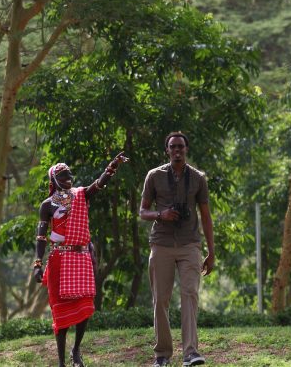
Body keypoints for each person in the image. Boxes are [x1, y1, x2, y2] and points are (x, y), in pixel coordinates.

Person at [33, 152, 130, 367]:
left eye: (69, 174)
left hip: (81, 257)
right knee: (60, 311)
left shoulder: (80, 195)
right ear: (53, 180)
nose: (68, 178)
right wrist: (37, 263)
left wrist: (112, 167)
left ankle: (76, 350)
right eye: (63, 175)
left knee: (85, 305)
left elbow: (98, 185)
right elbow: (40, 237)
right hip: (59, 258)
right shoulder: (47, 205)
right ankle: (61, 362)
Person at [139, 132, 215, 367]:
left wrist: (211, 252)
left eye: (181, 146)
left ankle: (191, 353)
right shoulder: (154, 176)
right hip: (161, 243)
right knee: (160, 299)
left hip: (190, 244)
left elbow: (205, 215)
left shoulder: (198, 178)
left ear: (186, 149)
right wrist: (161, 215)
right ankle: (162, 355)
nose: (177, 150)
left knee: (190, 295)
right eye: (173, 147)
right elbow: (143, 212)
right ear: (167, 150)